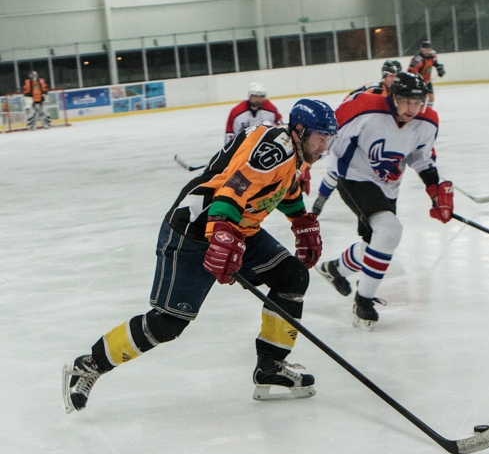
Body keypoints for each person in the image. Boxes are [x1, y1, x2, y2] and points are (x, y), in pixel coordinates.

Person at [61, 99, 338, 414]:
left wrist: (301, 221)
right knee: (167, 324)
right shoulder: (274, 149)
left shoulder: (296, 154)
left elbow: (279, 190)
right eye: (321, 137)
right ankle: (89, 365)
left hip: (236, 229)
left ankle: (271, 368)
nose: (324, 145)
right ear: (300, 130)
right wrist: (222, 236)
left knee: (291, 277)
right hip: (193, 231)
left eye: (329, 138)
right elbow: (232, 190)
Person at [315, 72, 453, 331]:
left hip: (388, 186)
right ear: (393, 98)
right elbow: (330, 141)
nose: (412, 109)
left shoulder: (427, 122)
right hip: (352, 177)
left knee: (379, 242)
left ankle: (335, 269)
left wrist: (436, 190)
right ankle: (363, 301)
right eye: (406, 102)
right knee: (389, 230)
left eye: (417, 102)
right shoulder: (364, 110)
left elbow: (421, 158)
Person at [312, 59, 403, 216]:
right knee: (339, 165)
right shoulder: (372, 90)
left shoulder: (401, 95)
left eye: (396, 75)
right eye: (390, 75)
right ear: (384, 76)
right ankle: (322, 197)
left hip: (376, 137)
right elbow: (347, 104)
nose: (393, 79)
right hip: (357, 133)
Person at [408, 42, 445, 107]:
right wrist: (415, 81)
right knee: (420, 100)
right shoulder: (417, 59)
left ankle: (428, 112)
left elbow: (435, 63)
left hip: (427, 81)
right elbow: (411, 71)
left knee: (431, 98)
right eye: (425, 50)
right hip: (418, 82)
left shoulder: (432, 56)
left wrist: (439, 68)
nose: (427, 52)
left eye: (428, 50)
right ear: (422, 49)